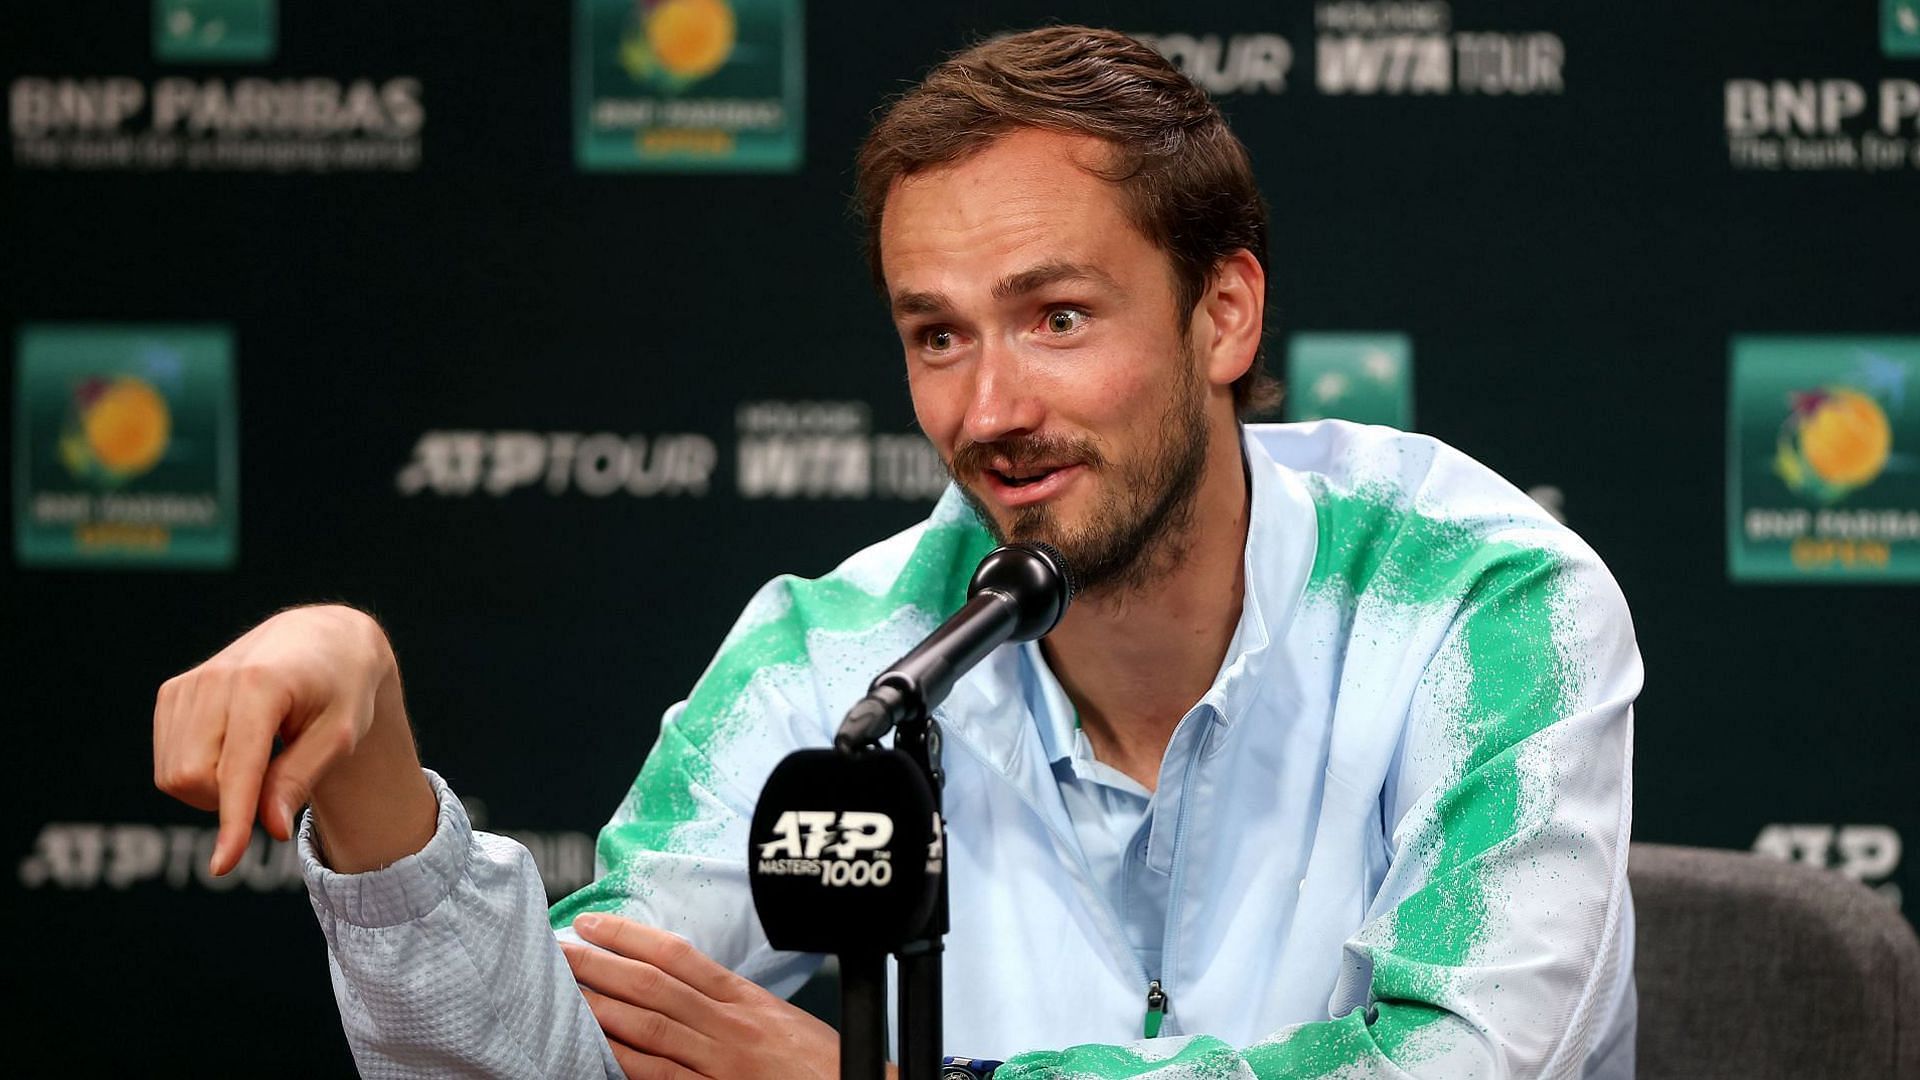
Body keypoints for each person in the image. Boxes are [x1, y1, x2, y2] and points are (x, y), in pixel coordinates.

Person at [152, 26, 1641, 1080]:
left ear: (1224, 317)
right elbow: (563, 1058)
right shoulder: (840, 658)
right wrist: (375, 773)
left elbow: (1463, 1071)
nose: (989, 410)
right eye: (938, 335)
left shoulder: (1482, 606)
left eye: (1058, 317)